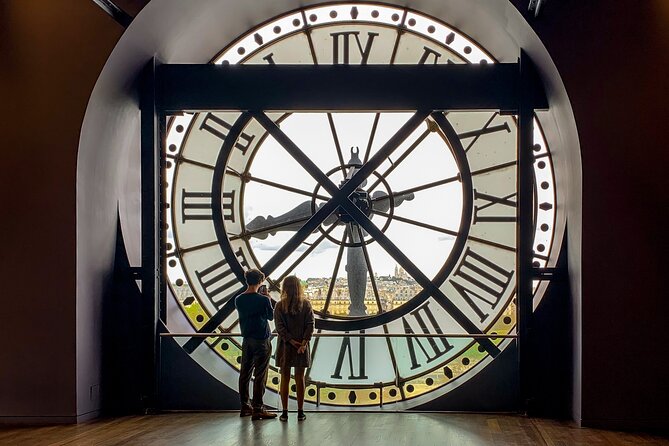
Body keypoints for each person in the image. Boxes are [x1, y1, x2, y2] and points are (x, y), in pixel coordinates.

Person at [235, 269, 277, 420]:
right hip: (261, 340)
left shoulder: (239, 299)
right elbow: (271, 317)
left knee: (245, 374)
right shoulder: (263, 300)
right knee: (260, 375)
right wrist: (269, 299)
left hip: (247, 339)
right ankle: (258, 407)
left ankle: (245, 406)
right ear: (260, 282)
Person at [273, 276, 315, 422]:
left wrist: (290, 341)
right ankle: (300, 411)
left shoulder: (279, 306)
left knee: (284, 378)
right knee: (300, 378)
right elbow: (310, 325)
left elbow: (279, 328)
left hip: (285, 347)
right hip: (301, 348)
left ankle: (284, 412)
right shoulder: (307, 305)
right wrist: (302, 343)